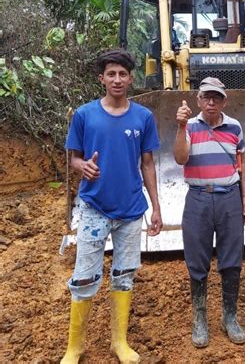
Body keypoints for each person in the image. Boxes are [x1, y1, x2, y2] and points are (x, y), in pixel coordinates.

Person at [62, 49, 163, 364]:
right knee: (84, 278)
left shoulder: (143, 117)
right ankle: (74, 347)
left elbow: (147, 164)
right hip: (94, 208)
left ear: (131, 78)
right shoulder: (85, 115)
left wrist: (156, 207)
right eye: (111, 74)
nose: (117, 80)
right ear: (101, 78)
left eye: (122, 74)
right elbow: (73, 157)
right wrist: (82, 167)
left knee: (124, 275)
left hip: (132, 210)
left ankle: (119, 342)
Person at [173, 77, 245, 348]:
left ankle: (230, 317)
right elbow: (181, 158)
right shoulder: (189, 126)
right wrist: (181, 126)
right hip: (198, 199)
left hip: (229, 198)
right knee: (197, 261)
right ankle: (200, 318)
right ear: (198, 100)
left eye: (216, 97)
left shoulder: (235, 127)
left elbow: (241, 163)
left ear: (224, 101)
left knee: (232, 259)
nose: (210, 102)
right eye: (206, 97)